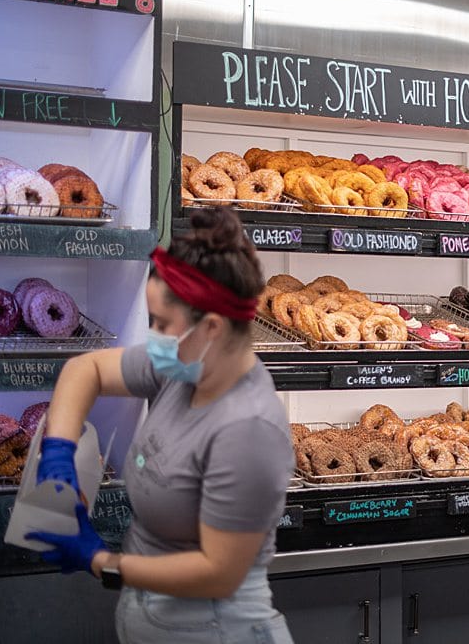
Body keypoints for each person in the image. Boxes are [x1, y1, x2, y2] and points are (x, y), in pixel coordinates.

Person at [26, 206, 295, 644]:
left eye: (161, 324)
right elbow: (85, 370)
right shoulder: (183, 366)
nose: (152, 337)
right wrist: (59, 453)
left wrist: (100, 561)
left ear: (210, 327)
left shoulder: (249, 429)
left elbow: (217, 574)